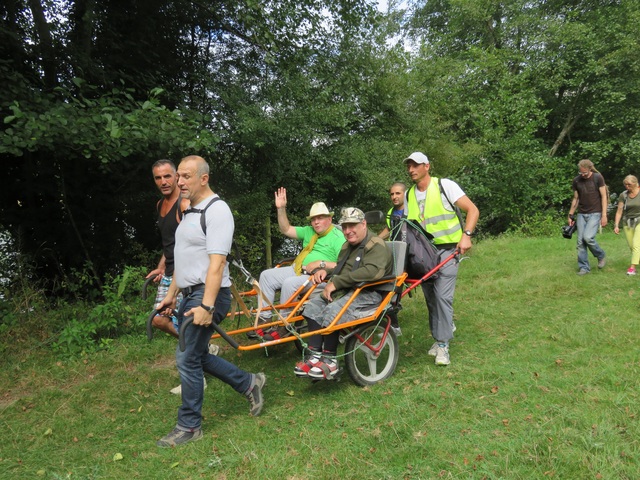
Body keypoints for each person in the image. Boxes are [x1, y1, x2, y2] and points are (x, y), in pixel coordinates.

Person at [155, 155, 265, 448]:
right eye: (178, 176)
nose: (179, 182)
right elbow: (183, 258)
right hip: (190, 292)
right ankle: (248, 382)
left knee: (187, 358)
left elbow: (216, 265)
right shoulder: (190, 211)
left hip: (210, 295)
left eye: (186, 176)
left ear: (204, 178)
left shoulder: (218, 211)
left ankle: (189, 426)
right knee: (196, 355)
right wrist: (170, 294)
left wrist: (206, 306)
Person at [293, 207, 393, 380]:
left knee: (333, 311)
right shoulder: (348, 246)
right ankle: (316, 354)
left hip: (371, 292)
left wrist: (336, 283)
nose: (347, 231)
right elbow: (343, 269)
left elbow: (371, 272)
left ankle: (330, 360)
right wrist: (328, 274)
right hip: (349, 290)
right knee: (312, 307)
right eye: (345, 227)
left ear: (363, 224)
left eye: (352, 226)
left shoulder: (376, 245)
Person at [146, 160, 218, 396]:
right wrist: (160, 266)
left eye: (169, 176)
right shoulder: (160, 205)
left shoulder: (184, 203)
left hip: (187, 275)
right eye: (158, 178)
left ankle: (195, 370)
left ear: (177, 177)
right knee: (159, 319)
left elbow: (193, 239)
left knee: (184, 326)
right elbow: (170, 243)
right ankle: (204, 349)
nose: (164, 182)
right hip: (170, 273)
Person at [403, 151, 479, 366]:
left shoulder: (445, 185)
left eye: (415, 165)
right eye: (409, 166)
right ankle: (440, 336)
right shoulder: (409, 194)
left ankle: (443, 345)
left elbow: (473, 210)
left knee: (442, 297)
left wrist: (467, 236)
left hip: (449, 250)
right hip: (424, 255)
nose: (411, 170)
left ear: (427, 166)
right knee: (431, 299)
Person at [254, 188, 345, 339]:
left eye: (320, 218)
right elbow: (286, 229)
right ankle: (265, 320)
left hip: (317, 277)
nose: (316, 222)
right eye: (313, 219)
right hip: (297, 269)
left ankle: (285, 324)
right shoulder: (309, 231)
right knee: (266, 276)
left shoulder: (338, 237)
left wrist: (321, 263)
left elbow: (341, 264)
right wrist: (281, 209)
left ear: (329, 219)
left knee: (290, 283)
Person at [568, 159, 608, 275]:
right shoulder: (576, 181)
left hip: (595, 213)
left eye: (585, 173)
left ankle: (600, 255)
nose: (583, 175)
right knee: (580, 242)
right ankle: (584, 267)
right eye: (581, 173)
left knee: (588, 237)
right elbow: (576, 198)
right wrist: (570, 215)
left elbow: (604, 196)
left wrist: (604, 215)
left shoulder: (597, 177)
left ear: (590, 169)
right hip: (581, 214)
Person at [614, 175, 640, 275]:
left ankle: (632, 268)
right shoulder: (623, 195)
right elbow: (619, 211)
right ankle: (637, 260)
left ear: (635, 183)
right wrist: (616, 225)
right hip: (627, 222)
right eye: (625, 184)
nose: (627, 186)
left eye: (629, 184)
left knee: (636, 244)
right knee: (631, 246)